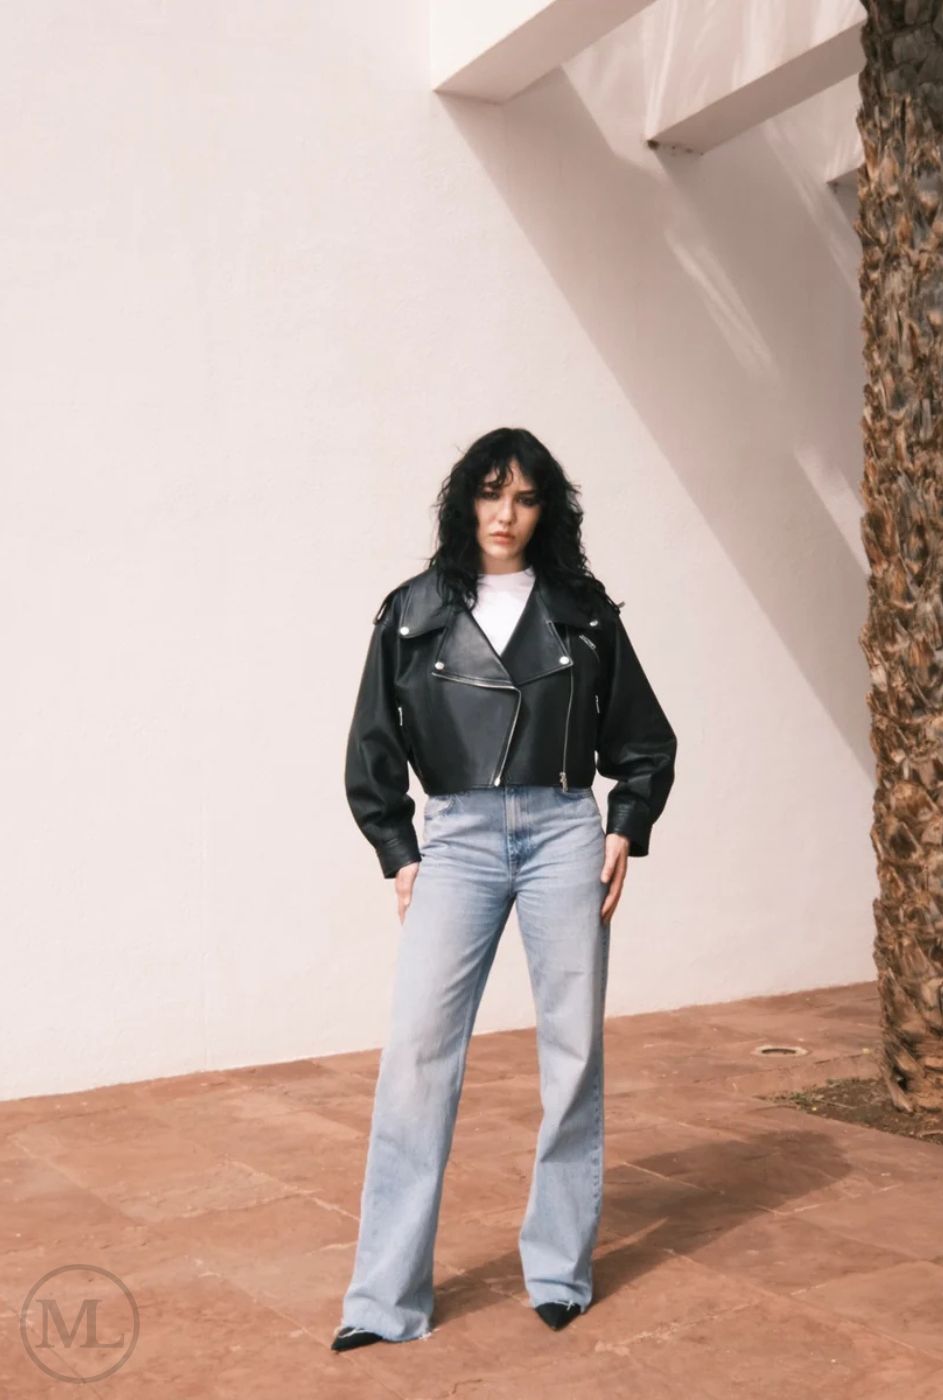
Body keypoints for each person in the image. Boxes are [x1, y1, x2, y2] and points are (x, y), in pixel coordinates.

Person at [331, 426, 678, 1352]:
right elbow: (372, 745)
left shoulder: (583, 610)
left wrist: (624, 824)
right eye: (490, 494)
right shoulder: (412, 611)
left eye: (524, 498)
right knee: (417, 1053)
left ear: (545, 510)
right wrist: (400, 850)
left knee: (572, 1053)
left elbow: (644, 739)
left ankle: (559, 1270)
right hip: (459, 837)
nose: (504, 514)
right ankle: (383, 1300)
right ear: (465, 503)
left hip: (565, 831)